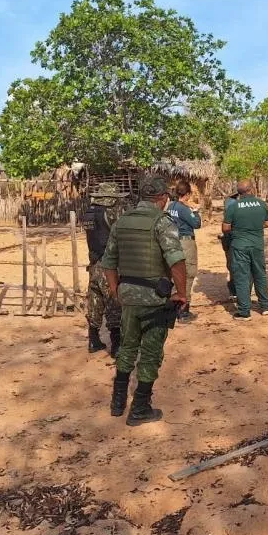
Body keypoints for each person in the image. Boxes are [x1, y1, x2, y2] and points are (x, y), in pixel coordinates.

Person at [100, 175, 188, 426]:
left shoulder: (122, 221)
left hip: (128, 296)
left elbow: (108, 262)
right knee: (150, 353)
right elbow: (176, 260)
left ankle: (117, 403)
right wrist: (181, 294)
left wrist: (117, 290)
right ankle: (140, 408)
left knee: (127, 347)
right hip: (154, 300)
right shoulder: (162, 222)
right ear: (161, 199)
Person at [83, 182, 128, 356]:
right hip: (109, 264)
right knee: (113, 301)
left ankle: (93, 340)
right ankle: (116, 345)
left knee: (95, 301)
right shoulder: (111, 212)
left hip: (93, 262)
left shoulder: (88, 213)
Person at [222, 179, 268, 319]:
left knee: (242, 277)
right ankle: (266, 306)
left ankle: (244, 311)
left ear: (238, 192)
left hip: (239, 246)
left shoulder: (233, 206)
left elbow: (225, 228)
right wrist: (255, 226)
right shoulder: (261, 203)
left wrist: (239, 228)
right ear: (252, 189)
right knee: (260, 274)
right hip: (257, 245)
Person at [166, 180, 202, 322]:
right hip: (185, 242)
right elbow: (196, 223)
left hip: (172, 241)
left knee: (174, 274)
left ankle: (173, 307)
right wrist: (195, 211)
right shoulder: (184, 208)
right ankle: (183, 310)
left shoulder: (170, 206)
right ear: (187, 194)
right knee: (188, 274)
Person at [219, 190, 240, 299]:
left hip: (229, 238)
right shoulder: (234, 204)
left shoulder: (229, 203)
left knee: (231, 264)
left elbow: (225, 227)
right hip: (234, 238)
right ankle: (236, 289)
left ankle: (234, 289)